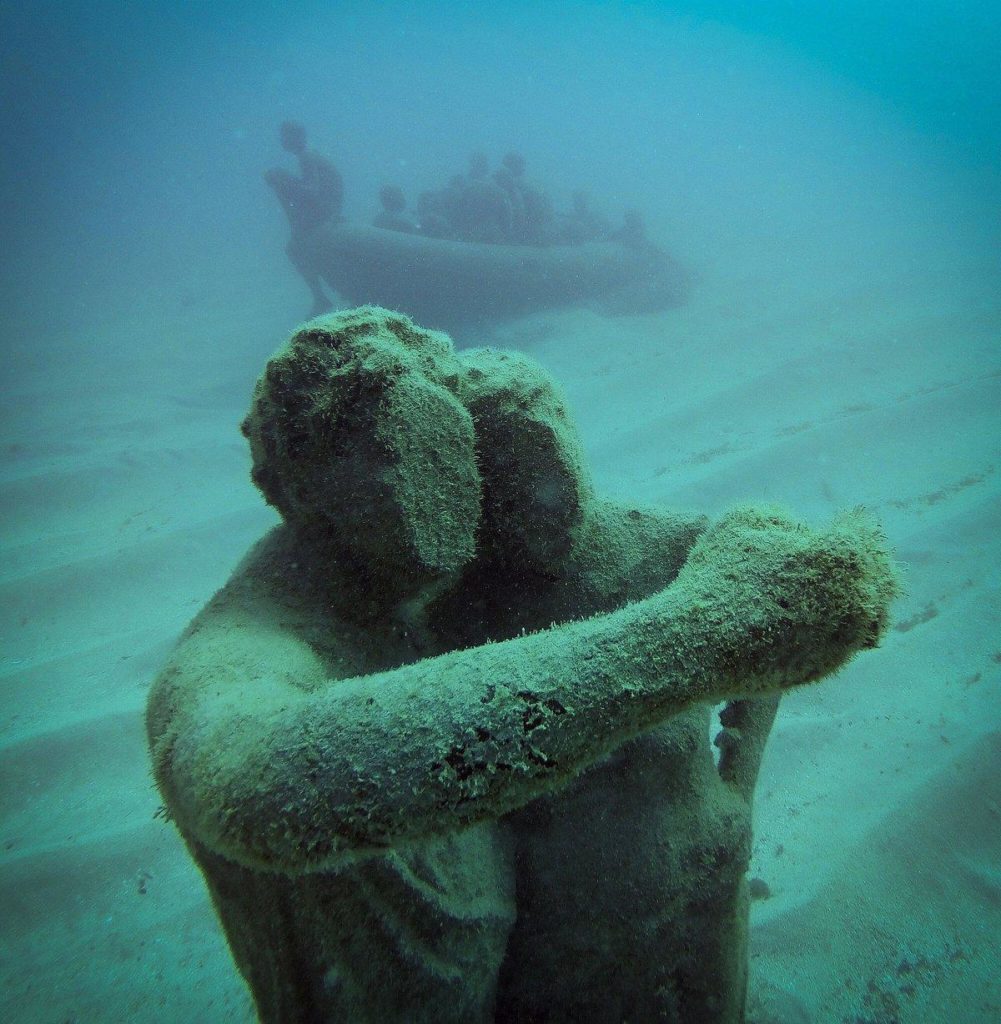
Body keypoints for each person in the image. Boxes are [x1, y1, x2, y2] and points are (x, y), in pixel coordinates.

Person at [148, 307, 896, 1024]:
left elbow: (625, 538)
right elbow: (268, 781)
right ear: (311, 483)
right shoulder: (241, 653)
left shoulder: (409, 587)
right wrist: (697, 639)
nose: (451, 490)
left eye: (452, 443)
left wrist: (734, 770)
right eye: (402, 450)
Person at [265, 120, 344, 315]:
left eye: (285, 137)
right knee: (277, 175)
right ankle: (322, 295)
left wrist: (283, 182)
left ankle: (320, 297)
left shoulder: (307, 157)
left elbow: (312, 191)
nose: (282, 141)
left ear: (296, 137)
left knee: (293, 249)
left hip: (325, 209)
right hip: (328, 207)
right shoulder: (310, 154)